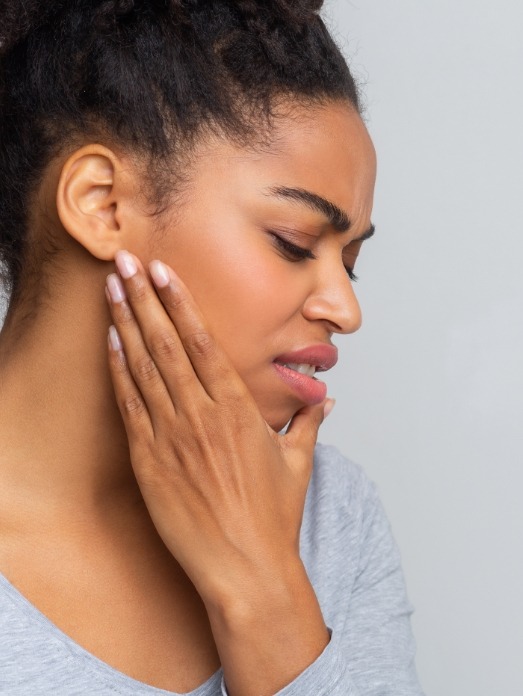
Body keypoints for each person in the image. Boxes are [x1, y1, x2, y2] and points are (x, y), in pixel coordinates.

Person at [0, 1, 424, 694]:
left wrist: (261, 589)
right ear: (101, 203)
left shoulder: (331, 519)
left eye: (348, 262)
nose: (345, 310)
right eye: (293, 242)